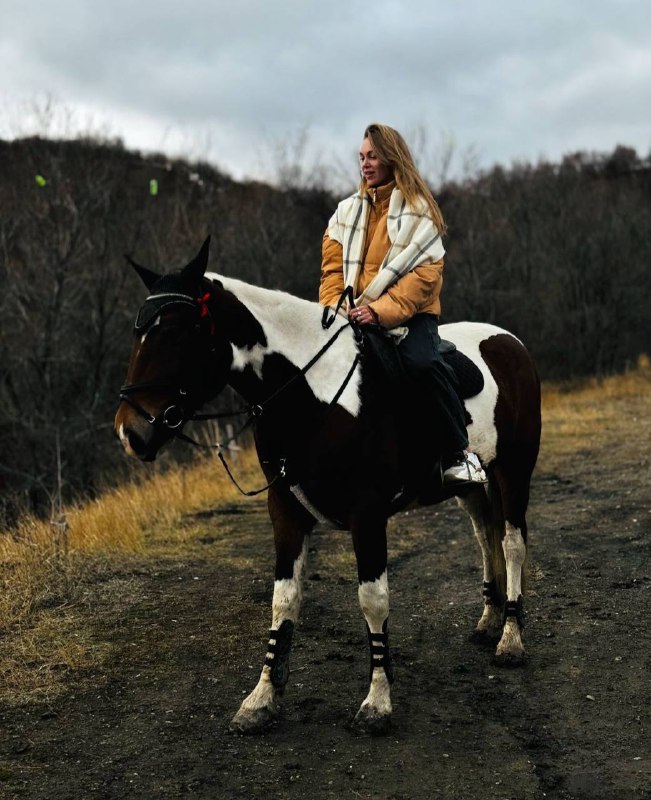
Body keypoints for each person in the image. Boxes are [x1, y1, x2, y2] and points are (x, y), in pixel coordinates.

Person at [319, 122, 486, 485]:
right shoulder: (344, 213)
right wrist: (336, 306)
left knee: (422, 363)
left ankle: (460, 455)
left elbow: (425, 279)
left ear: (392, 159)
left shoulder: (420, 211)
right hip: (350, 313)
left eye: (373, 156)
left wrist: (378, 312)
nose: (365, 164)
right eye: (361, 157)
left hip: (409, 318)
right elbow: (332, 270)